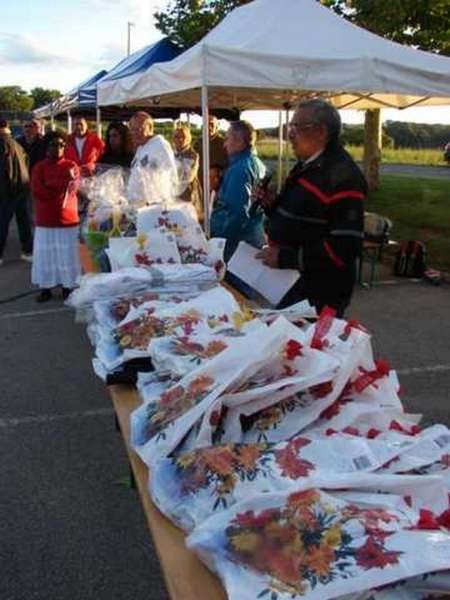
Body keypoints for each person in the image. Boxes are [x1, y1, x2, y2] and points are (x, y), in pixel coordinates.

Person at [256, 98, 367, 316]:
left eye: (296, 127)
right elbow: (304, 214)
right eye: (291, 127)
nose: (290, 134)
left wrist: (286, 258)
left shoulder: (343, 176)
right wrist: (272, 206)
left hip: (319, 293)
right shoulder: (308, 163)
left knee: (299, 348)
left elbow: (345, 247)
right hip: (291, 284)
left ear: (320, 131)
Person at [31, 131, 81, 302]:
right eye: (54, 144)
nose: (58, 148)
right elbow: (38, 190)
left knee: (67, 255)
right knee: (46, 256)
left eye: (62, 144)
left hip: (67, 220)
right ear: (47, 147)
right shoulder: (39, 167)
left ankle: (68, 287)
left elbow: (73, 189)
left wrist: (52, 185)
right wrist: (61, 184)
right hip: (46, 220)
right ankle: (46, 289)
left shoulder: (72, 166)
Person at [210, 120, 266, 262]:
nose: (224, 144)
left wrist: (221, 240)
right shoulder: (256, 162)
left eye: (227, 139)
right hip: (251, 234)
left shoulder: (239, 169)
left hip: (237, 242)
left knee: (233, 281)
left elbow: (238, 212)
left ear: (240, 142)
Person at [0, 119, 33, 265]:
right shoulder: (17, 144)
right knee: (23, 222)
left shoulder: (3, 143)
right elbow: (26, 163)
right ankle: (27, 251)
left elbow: (3, 168)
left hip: (7, 190)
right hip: (22, 187)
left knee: (2, 223)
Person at [128, 111, 178, 205]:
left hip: (154, 206)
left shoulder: (160, 145)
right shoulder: (141, 147)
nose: (134, 133)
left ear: (150, 128)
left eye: (139, 129)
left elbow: (172, 176)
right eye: (132, 129)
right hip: (137, 206)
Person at [172, 125, 202, 221]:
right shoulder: (170, 154)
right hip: (173, 195)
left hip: (188, 195)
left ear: (189, 139)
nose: (180, 139)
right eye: (177, 137)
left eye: (183, 137)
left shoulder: (193, 155)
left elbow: (187, 176)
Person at [194, 115, 227, 186]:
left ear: (217, 126)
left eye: (211, 124)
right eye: (206, 124)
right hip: (200, 182)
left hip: (218, 184)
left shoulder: (224, 143)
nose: (209, 127)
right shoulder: (198, 142)